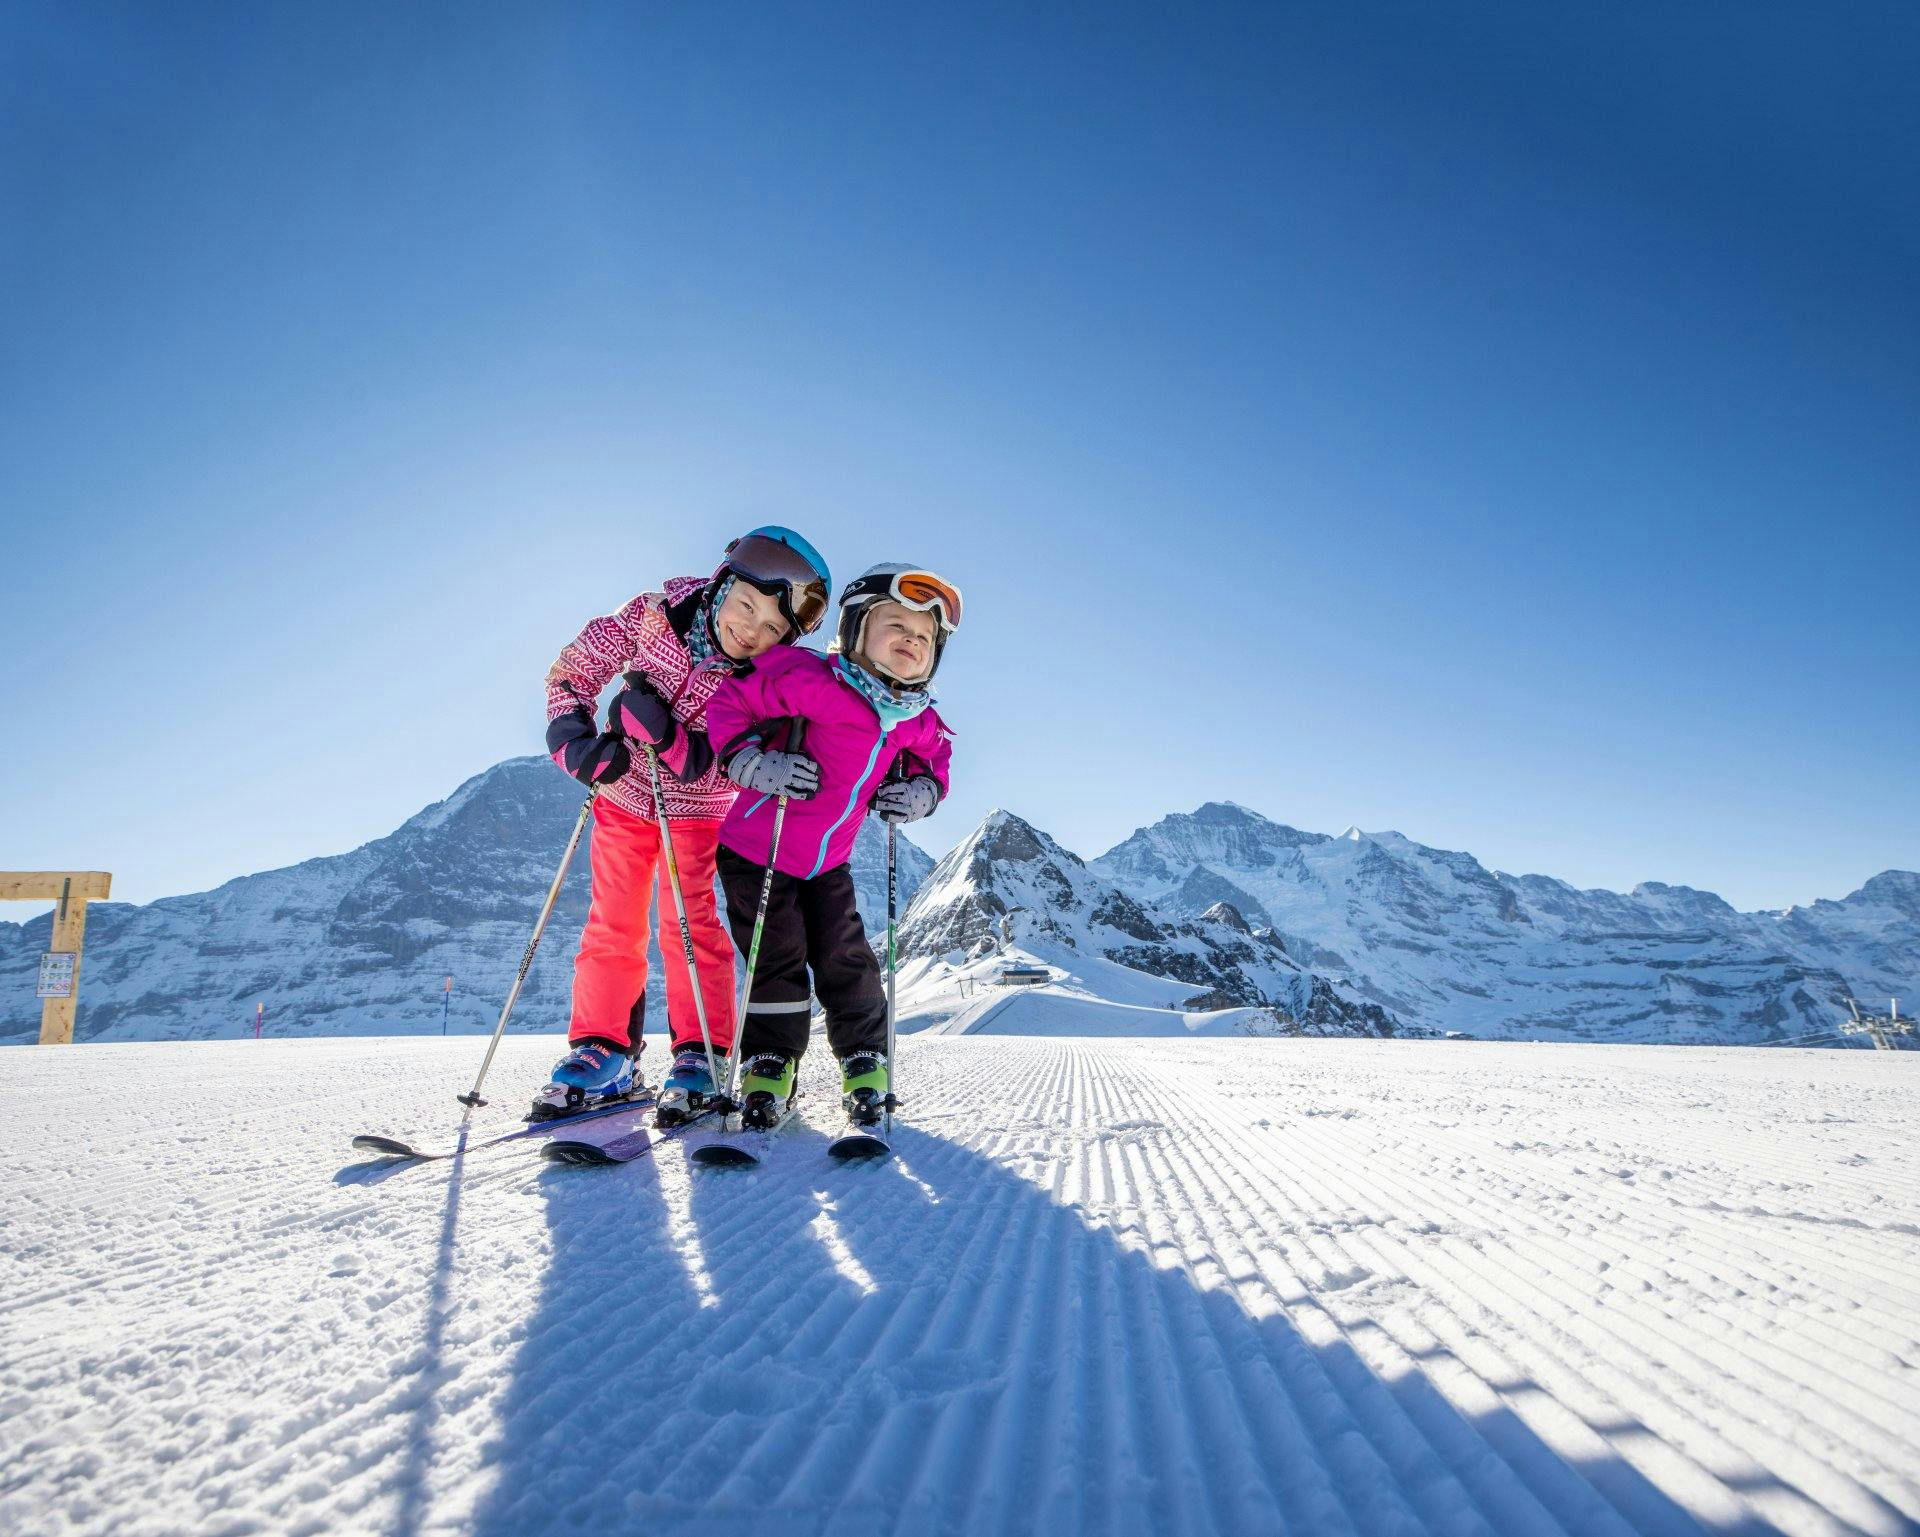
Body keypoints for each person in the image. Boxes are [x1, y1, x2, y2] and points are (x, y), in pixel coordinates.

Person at [535, 527, 832, 1121]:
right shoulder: (652, 614)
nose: (751, 630)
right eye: (747, 607)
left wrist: (670, 739)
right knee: (613, 920)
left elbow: (734, 756)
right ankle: (603, 1048)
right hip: (623, 794)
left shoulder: (759, 680)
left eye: (772, 628)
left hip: (697, 814)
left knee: (689, 924)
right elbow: (575, 667)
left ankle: (702, 1051)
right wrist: (575, 741)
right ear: (722, 585)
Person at [703, 563, 960, 1129]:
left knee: (846, 954)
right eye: (896, 624)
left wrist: (922, 790)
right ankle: (770, 1061)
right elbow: (730, 703)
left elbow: (935, 758)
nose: (911, 640)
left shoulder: (914, 719)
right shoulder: (811, 678)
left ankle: (864, 1057)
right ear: (855, 628)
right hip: (756, 850)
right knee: (779, 954)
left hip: (828, 861)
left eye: (924, 636)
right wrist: (749, 759)